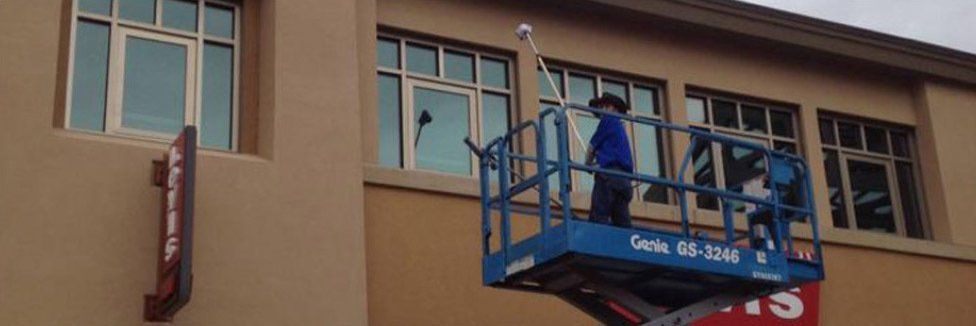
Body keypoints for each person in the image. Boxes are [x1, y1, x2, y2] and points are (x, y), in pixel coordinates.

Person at [585, 93, 634, 228]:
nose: (602, 110)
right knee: (621, 220)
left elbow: (591, 147)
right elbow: (615, 155)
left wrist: (587, 165)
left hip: (608, 178)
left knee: (598, 216)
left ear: (612, 108)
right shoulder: (620, 127)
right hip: (624, 180)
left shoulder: (608, 120)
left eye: (605, 106)